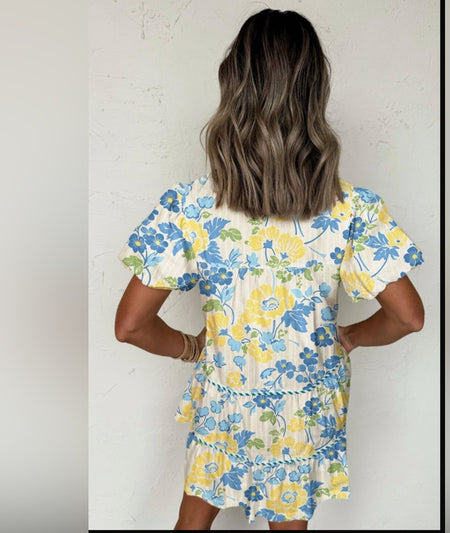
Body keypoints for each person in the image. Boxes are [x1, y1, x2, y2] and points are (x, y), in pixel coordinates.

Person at [114, 8, 425, 531]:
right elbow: (408, 317)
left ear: (234, 86)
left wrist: (193, 348)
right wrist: (351, 336)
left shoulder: (188, 208)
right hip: (302, 415)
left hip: (224, 404)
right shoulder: (353, 211)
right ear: (315, 94)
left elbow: (130, 326)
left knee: (191, 525)